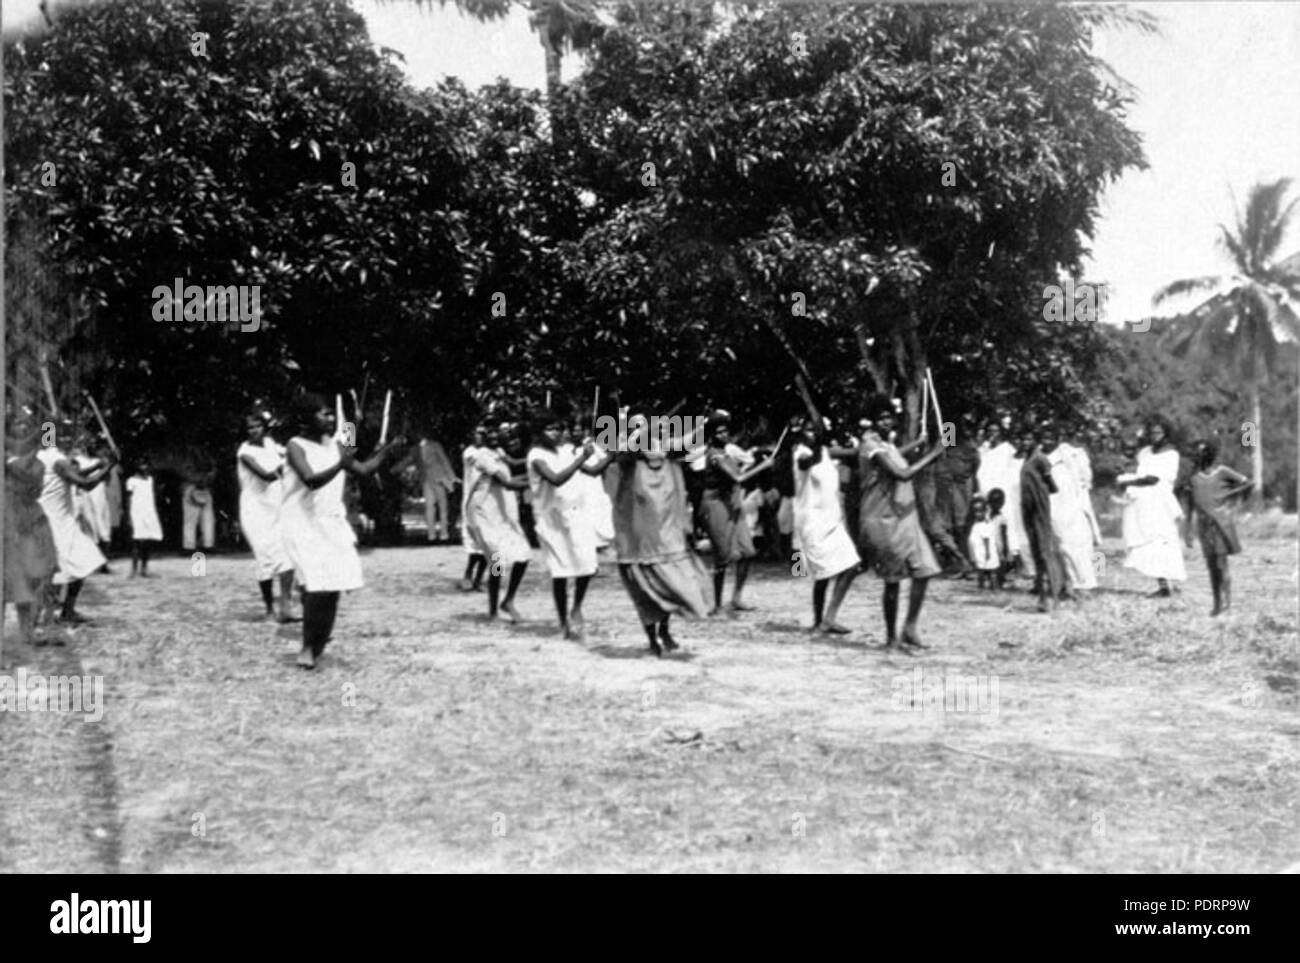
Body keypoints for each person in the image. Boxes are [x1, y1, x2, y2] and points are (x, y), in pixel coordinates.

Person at [280, 393, 403, 669]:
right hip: (302, 523)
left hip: (331, 523)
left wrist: (387, 450)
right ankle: (308, 647)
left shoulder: (336, 445)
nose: (331, 418)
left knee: (333, 584)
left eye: (329, 413)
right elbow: (311, 480)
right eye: (323, 414)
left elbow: (363, 469)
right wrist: (340, 465)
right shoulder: (295, 446)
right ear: (305, 419)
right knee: (315, 584)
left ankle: (319, 640)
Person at [609, 416, 711, 656]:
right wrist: (637, 432)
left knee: (670, 582)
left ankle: (664, 630)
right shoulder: (627, 457)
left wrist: (703, 425)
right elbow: (623, 450)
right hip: (637, 539)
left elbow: (687, 440)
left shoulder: (665, 450)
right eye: (635, 426)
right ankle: (652, 638)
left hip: (666, 535)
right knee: (643, 591)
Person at [856, 395, 945, 652]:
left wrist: (920, 444)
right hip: (882, 521)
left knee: (925, 570)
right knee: (893, 582)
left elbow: (897, 455)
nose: (887, 421)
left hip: (906, 518)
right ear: (872, 421)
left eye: (889, 416)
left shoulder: (886, 444)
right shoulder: (869, 444)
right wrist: (933, 454)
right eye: (881, 417)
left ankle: (910, 628)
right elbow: (901, 473)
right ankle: (891, 638)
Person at [528, 413, 615, 639]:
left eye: (557, 427)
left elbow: (593, 471)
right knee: (561, 571)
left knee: (587, 564)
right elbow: (556, 479)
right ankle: (562, 621)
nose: (555, 432)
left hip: (575, 514)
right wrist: (580, 459)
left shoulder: (566, 450)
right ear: (539, 432)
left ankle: (577, 606)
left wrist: (613, 454)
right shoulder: (536, 455)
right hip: (551, 520)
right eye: (549, 428)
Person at [36, 420, 116, 624]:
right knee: (57, 573)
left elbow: (75, 475)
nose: (72, 439)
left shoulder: (44, 457)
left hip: (55, 520)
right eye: (66, 434)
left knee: (82, 562)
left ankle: (65, 612)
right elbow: (85, 484)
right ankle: (41, 618)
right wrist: (109, 467)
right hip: (56, 524)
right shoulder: (58, 460)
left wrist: (98, 464)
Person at [698, 412, 774, 615]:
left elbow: (746, 460)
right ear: (712, 435)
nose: (723, 435)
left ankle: (736, 598)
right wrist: (762, 466)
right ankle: (716, 604)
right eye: (719, 432)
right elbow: (737, 478)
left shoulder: (729, 451)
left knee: (748, 552)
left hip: (732, 502)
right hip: (716, 505)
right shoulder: (714, 455)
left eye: (725, 431)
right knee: (722, 556)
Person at [793, 417, 862, 634]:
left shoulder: (825, 452)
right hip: (812, 522)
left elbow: (853, 454)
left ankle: (828, 618)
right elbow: (805, 462)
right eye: (809, 430)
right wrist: (819, 446)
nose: (812, 433)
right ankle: (818, 621)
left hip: (833, 519)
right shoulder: (802, 453)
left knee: (852, 566)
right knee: (823, 575)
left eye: (816, 430)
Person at [465, 426, 532, 622]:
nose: (494, 437)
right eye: (490, 434)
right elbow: (508, 483)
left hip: (500, 512)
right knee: (497, 562)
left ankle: (508, 600)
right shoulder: (482, 457)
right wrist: (537, 480)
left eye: (497, 434)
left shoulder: (499, 453)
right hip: (482, 514)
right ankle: (493, 610)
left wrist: (537, 470)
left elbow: (513, 472)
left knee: (523, 554)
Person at [4, 413, 59, 646]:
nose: (24, 426)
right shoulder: (6, 452)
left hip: (28, 519)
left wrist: (50, 425)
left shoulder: (37, 462)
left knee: (30, 578)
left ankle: (27, 633)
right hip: (5, 519)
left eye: (28, 422)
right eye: (18, 421)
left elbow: (31, 483)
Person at [1118, 415, 1187, 597]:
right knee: (1148, 543)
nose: (1154, 435)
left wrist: (1129, 481)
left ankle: (1172, 584)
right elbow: (1137, 469)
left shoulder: (1171, 454)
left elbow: (1154, 479)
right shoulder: (1145, 452)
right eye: (1151, 432)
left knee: (1162, 540)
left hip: (1160, 503)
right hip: (1142, 502)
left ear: (1165, 433)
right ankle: (1163, 586)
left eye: (1158, 432)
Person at [237, 412, 296, 620]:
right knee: (265, 559)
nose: (253, 431)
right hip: (255, 512)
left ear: (264, 427)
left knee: (286, 556)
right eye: (249, 428)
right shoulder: (244, 452)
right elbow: (266, 475)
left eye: (257, 426)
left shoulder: (271, 444)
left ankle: (286, 607)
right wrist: (287, 465)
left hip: (277, 507)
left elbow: (290, 452)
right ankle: (269, 609)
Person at [1185, 439, 1251, 615]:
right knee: (1211, 565)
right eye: (1197, 453)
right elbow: (1190, 505)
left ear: (1210, 454)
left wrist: (1231, 499)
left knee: (1221, 563)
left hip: (1221, 524)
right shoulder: (1193, 478)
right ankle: (1217, 602)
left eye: (1202, 453)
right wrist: (1187, 530)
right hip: (1204, 525)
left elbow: (1247, 483)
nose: (1199, 456)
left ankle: (1226, 602)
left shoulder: (1223, 472)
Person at [1048, 422, 1098, 599]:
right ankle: (1063, 585)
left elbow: (1086, 479)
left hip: (1074, 505)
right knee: (1059, 547)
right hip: (1055, 506)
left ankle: (1084, 585)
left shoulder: (1075, 454)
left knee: (1081, 546)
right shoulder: (1046, 457)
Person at [1019, 426, 1065, 612]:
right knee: (1036, 552)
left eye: (1030, 439)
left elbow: (1053, 487)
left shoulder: (1040, 459)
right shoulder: (1026, 459)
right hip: (1028, 508)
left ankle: (1054, 598)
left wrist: (1040, 491)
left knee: (1046, 552)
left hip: (1039, 509)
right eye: (1023, 439)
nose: (1025, 443)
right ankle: (1042, 597)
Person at [459, 426, 490, 591]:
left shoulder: (496, 454)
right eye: (476, 434)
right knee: (477, 544)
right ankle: (469, 575)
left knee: (495, 544)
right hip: (476, 501)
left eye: (483, 435)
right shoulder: (471, 453)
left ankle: (493, 576)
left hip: (496, 503)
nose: (479, 437)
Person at [125, 457, 163, 577]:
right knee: (137, 542)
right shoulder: (131, 481)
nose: (144, 467)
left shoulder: (150, 480)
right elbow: (129, 499)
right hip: (136, 513)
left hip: (149, 512)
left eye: (146, 465)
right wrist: (129, 516)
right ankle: (134, 569)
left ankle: (144, 568)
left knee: (147, 541)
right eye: (141, 465)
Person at [179, 452, 216, 552]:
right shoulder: (206, 455)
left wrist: (201, 480)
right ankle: (206, 545)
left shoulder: (187, 454)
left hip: (196, 487)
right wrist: (204, 480)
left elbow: (184, 472)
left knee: (195, 520)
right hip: (199, 487)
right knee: (205, 519)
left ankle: (190, 546)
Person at [967, 495, 1000, 590]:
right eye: (975, 511)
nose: (977, 514)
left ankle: (994, 587)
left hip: (985, 551)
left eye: (980, 511)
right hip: (979, 551)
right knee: (980, 570)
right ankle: (981, 586)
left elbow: (986, 539)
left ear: (985, 511)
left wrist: (987, 551)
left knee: (991, 571)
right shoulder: (976, 524)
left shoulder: (985, 524)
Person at [985, 488, 1011, 589]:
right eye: (993, 503)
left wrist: (1006, 549)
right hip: (988, 544)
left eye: (998, 503)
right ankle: (993, 582)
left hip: (999, 545)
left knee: (1000, 564)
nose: (995, 505)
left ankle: (999, 582)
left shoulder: (1002, 518)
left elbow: (1004, 534)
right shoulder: (985, 515)